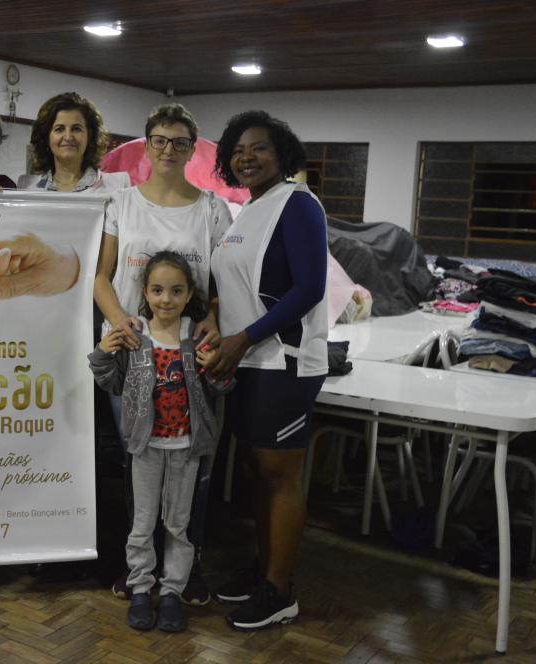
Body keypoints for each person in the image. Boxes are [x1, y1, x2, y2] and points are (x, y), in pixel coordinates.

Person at [94, 103, 233, 606]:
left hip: (191, 359)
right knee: (139, 462)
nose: (168, 149)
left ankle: (186, 570)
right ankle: (140, 574)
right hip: (136, 356)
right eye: (159, 140)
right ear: (146, 144)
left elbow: (221, 284)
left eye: (179, 141)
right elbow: (102, 276)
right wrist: (119, 320)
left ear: (192, 148)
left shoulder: (213, 209)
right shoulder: (121, 204)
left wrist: (214, 320)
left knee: (192, 467)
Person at [207, 111, 329, 630]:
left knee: (280, 474)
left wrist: (245, 337)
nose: (246, 157)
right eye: (237, 149)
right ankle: (264, 571)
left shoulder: (298, 205)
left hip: (284, 361)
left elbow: (309, 289)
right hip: (247, 359)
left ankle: (280, 591)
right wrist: (217, 324)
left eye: (258, 148)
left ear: (282, 153)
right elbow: (232, 287)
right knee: (258, 469)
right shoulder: (248, 210)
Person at [89, 251, 229, 632]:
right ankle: (139, 589)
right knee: (142, 523)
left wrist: (213, 368)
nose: (165, 299)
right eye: (157, 290)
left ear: (188, 295)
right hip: (145, 448)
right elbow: (110, 380)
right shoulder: (137, 336)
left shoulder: (196, 336)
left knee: (179, 525)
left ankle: (171, 593)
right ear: (146, 293)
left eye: (175, 291)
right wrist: (103, 351)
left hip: (186, 449)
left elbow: (220, 386)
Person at [18, 91, 130, 193]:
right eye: (59, 129)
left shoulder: (117, 186)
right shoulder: (27, 187)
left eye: (76, 129)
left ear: (90, 135)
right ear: (46, 136)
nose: (68, 137)